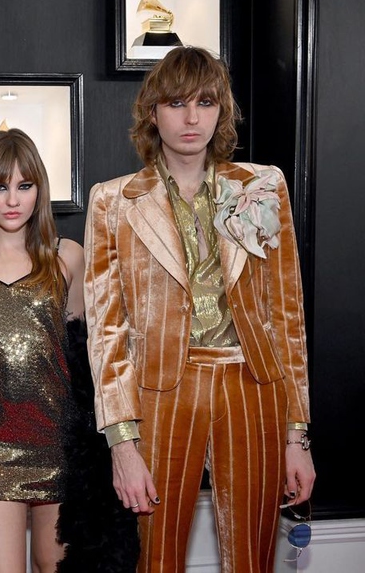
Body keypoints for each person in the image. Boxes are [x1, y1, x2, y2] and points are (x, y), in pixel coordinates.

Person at [84, 46, 316, 572]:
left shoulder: (263, 186)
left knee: (253, 559)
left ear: (221, 110)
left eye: (205, 102)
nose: (191, 118)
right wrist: (122, 443)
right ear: (152, 112)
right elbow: (107, 332)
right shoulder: (112, 201)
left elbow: (287, 316)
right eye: (176, 103)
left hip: (253, 386)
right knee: (156, 558)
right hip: (161, 393)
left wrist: (297, 435)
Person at [0, 128, 139, 572]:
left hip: (61, 447)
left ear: (40, 189)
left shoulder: (67, 257)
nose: (13, 199)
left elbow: (90, 356)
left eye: (25, 185)